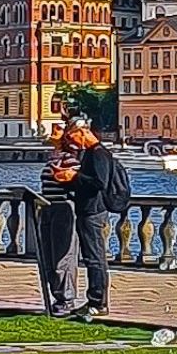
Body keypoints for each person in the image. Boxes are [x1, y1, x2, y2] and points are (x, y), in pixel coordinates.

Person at [63, 119, 129, 320]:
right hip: (88, 209)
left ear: (82, 132)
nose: (72, 142)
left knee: (95, 258)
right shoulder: (92, 153)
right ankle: (94, 299)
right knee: (92, 257)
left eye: (72, 136)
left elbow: (100, 182)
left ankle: (98, 302)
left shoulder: (99, 154)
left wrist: (73, 177)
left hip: (94, 211)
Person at [28, 142, 81, 315]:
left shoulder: (70, 160)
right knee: (48, 256)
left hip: (63, 210)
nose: (51, 133)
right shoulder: (51, 158)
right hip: (47, 208)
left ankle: (67, 298)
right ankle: (56, 296)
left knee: (63, 256)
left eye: (56, 130)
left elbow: (75, 184)